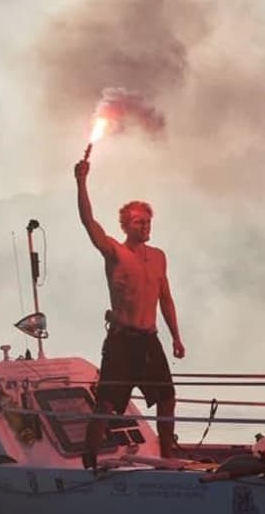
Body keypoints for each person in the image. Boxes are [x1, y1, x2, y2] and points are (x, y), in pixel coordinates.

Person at [74, 158, 185, 469]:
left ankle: (168, 454)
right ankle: (90, 459)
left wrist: (176, 337)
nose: (145, 226)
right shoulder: (115, 253)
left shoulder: (158, 257)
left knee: (166, 397)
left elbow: (166, 298)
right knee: (107, 404)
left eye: (148, 221)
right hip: (123, 340)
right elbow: (88, 223)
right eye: (139, 222)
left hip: (149, 340)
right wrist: (81, 182)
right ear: (125, 225)